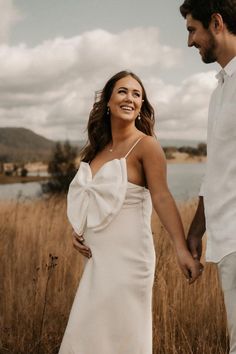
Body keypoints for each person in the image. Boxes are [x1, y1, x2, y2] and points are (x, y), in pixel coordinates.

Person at [58, 70, 202, 354]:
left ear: (141, 106)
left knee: (123, 336)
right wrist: (77, 230)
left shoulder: (146, 146)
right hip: (97, 260)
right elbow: (93, 200)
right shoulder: (95, 151)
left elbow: (162, 197)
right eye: (123, 91)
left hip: (130, 260)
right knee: (87, 334)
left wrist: (181, 249)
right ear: (108, 102)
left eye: (137, 94)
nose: (130, 98)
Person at [179, 1, 236, 353]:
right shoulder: (220, 91)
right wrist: (197, 229)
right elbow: (218, 168)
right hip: (227, 239)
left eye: (191, 30)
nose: (189, 42)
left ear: (216, 23)